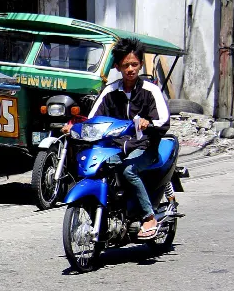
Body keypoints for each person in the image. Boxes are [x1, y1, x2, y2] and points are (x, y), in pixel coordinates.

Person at [62, 37, 170, 239]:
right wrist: (74, 126)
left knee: (128, 171)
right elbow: (93, 119)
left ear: (139, 64)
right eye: (125, 65)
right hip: (114, 147)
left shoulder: (150, 91)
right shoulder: (110, 91)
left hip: (145, 147)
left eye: (134, 64)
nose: (130, 69)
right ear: (118, 67)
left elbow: (163, 120)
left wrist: (149, 123)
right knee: (94, 168)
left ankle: (148, 217)